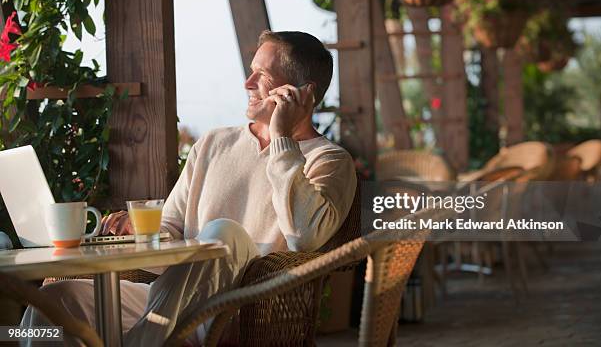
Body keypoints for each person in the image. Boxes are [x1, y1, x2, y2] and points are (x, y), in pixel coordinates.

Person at [21, 30, 357, 346]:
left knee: (224, 233)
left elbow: (306, 238)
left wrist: (283, 139)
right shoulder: (214, 143)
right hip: (171, 303)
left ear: (302, 93)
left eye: (261, 75)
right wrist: (140, 231)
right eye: (250, 71)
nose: (247, 82)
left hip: (247, 311)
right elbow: (171, 230)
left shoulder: (328, 160)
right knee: (57, 301)